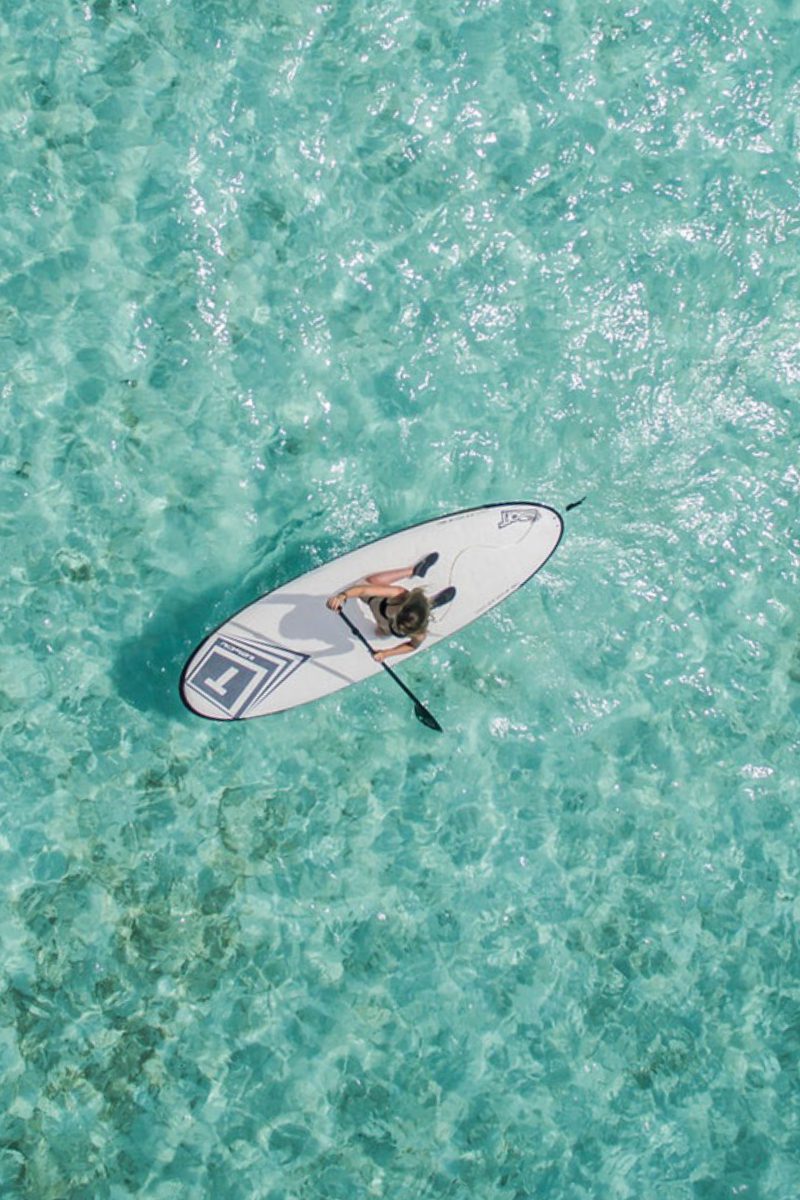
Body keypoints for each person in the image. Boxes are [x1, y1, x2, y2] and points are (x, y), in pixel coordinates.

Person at [326, 552, 455, 662]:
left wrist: (386, 653)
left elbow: (412, 646)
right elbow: (362, 590)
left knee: (379, 632)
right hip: (377, 605)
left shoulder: (419, 633)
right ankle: (416, 574)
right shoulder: (400, 594)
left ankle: (429, 602)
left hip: (384, 627)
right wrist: (342, 596)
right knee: (367, 583)